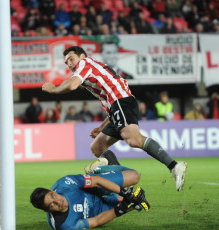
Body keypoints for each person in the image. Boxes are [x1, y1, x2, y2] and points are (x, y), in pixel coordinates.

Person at [42, 46, 187, 191]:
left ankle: (174, 166)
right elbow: (110, 103)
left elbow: (72, 85)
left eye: (71, 59)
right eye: (66, 63)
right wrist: (101, 128)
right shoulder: (93, 69)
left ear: (82, 57)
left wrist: (53, 89)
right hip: (118, 106)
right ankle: (123, 180)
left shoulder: (85, 64)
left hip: (121, 102)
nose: (69, 64)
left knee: (134, 139)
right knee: (97, 147)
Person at [30, 161, 150, 230]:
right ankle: (118, 196)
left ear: (53, 191)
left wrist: (123, 192)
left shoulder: (65, 184)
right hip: (95, 211)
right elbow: (96, 221)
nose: (58, 201)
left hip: (94, 188)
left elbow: (97, 181)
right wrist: (125, 207)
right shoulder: (64, 224)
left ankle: (97, 168)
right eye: (51, 205)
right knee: (133, 202)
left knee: (134, 176)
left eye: (53, 196)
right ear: (46, 210)